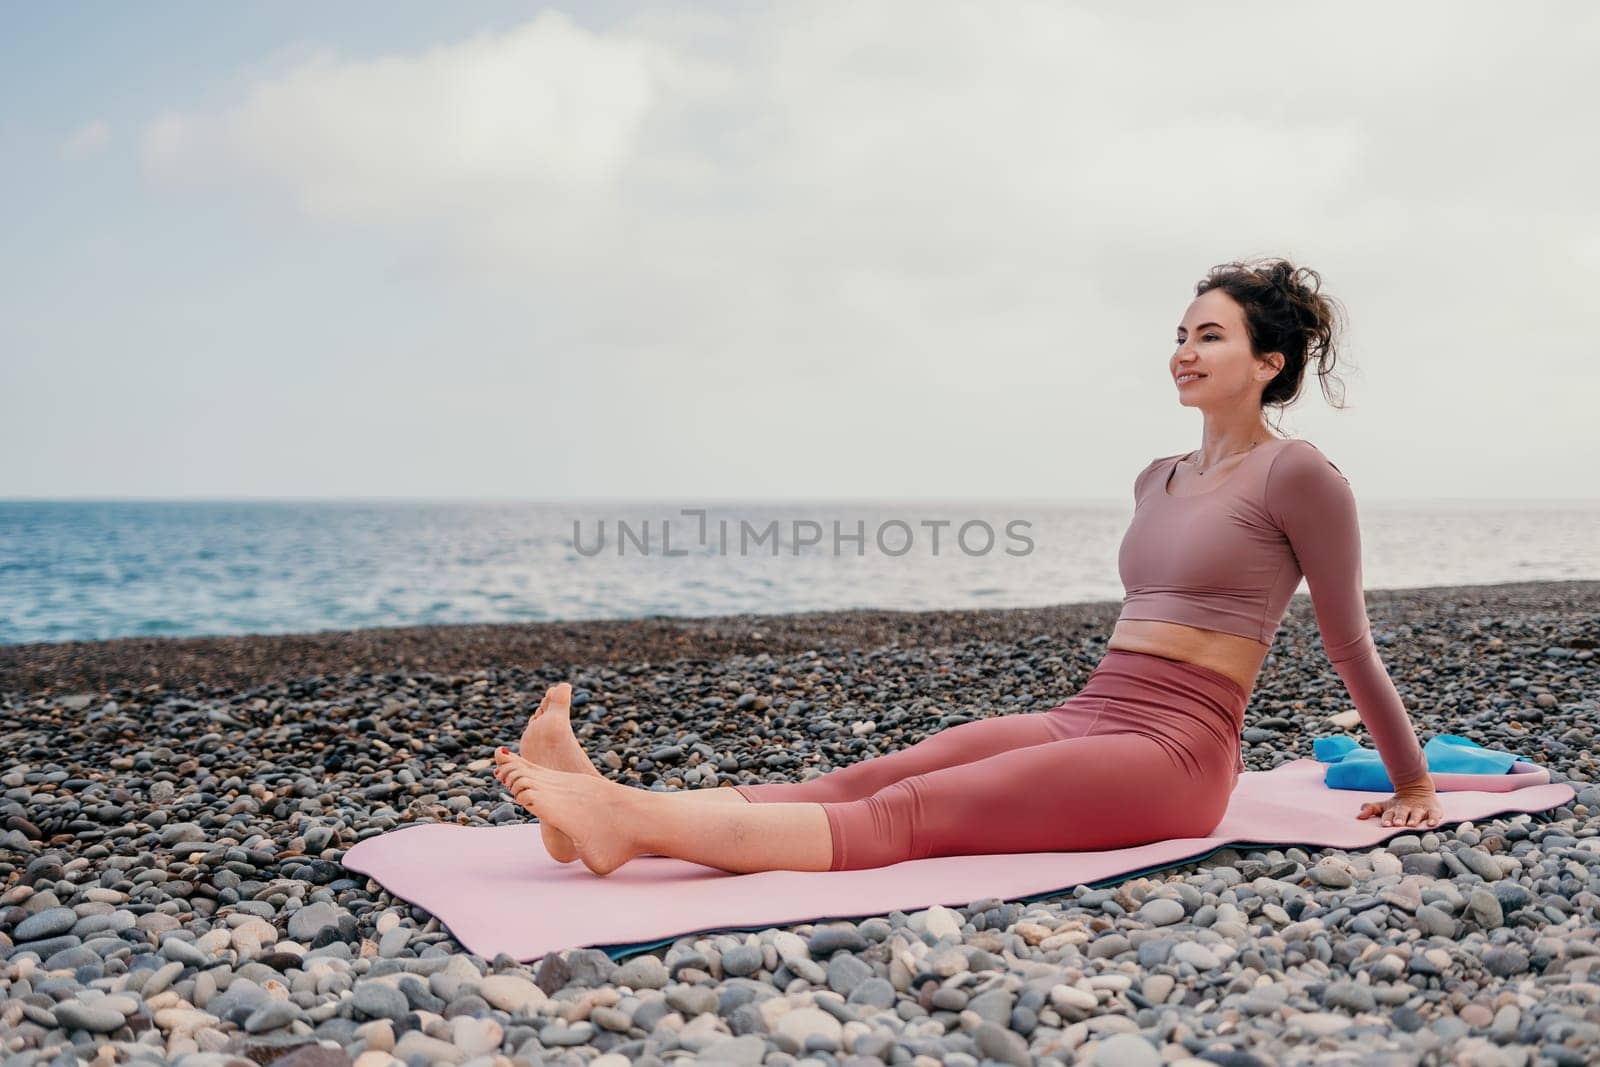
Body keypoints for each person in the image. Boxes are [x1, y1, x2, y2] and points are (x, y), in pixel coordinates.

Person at [492, 257, 1445, 877]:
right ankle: (604, 812)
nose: (1182, 352)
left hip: (1178, 753)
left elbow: (1349, 642)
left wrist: (1413, 785)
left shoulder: (1301, 474)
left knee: (908, 813)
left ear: (1269, 362)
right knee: (864, 777)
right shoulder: (1156, 476)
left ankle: (623, 822)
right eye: (1181, 333)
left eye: (1210, 336)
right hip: (1092, 711)